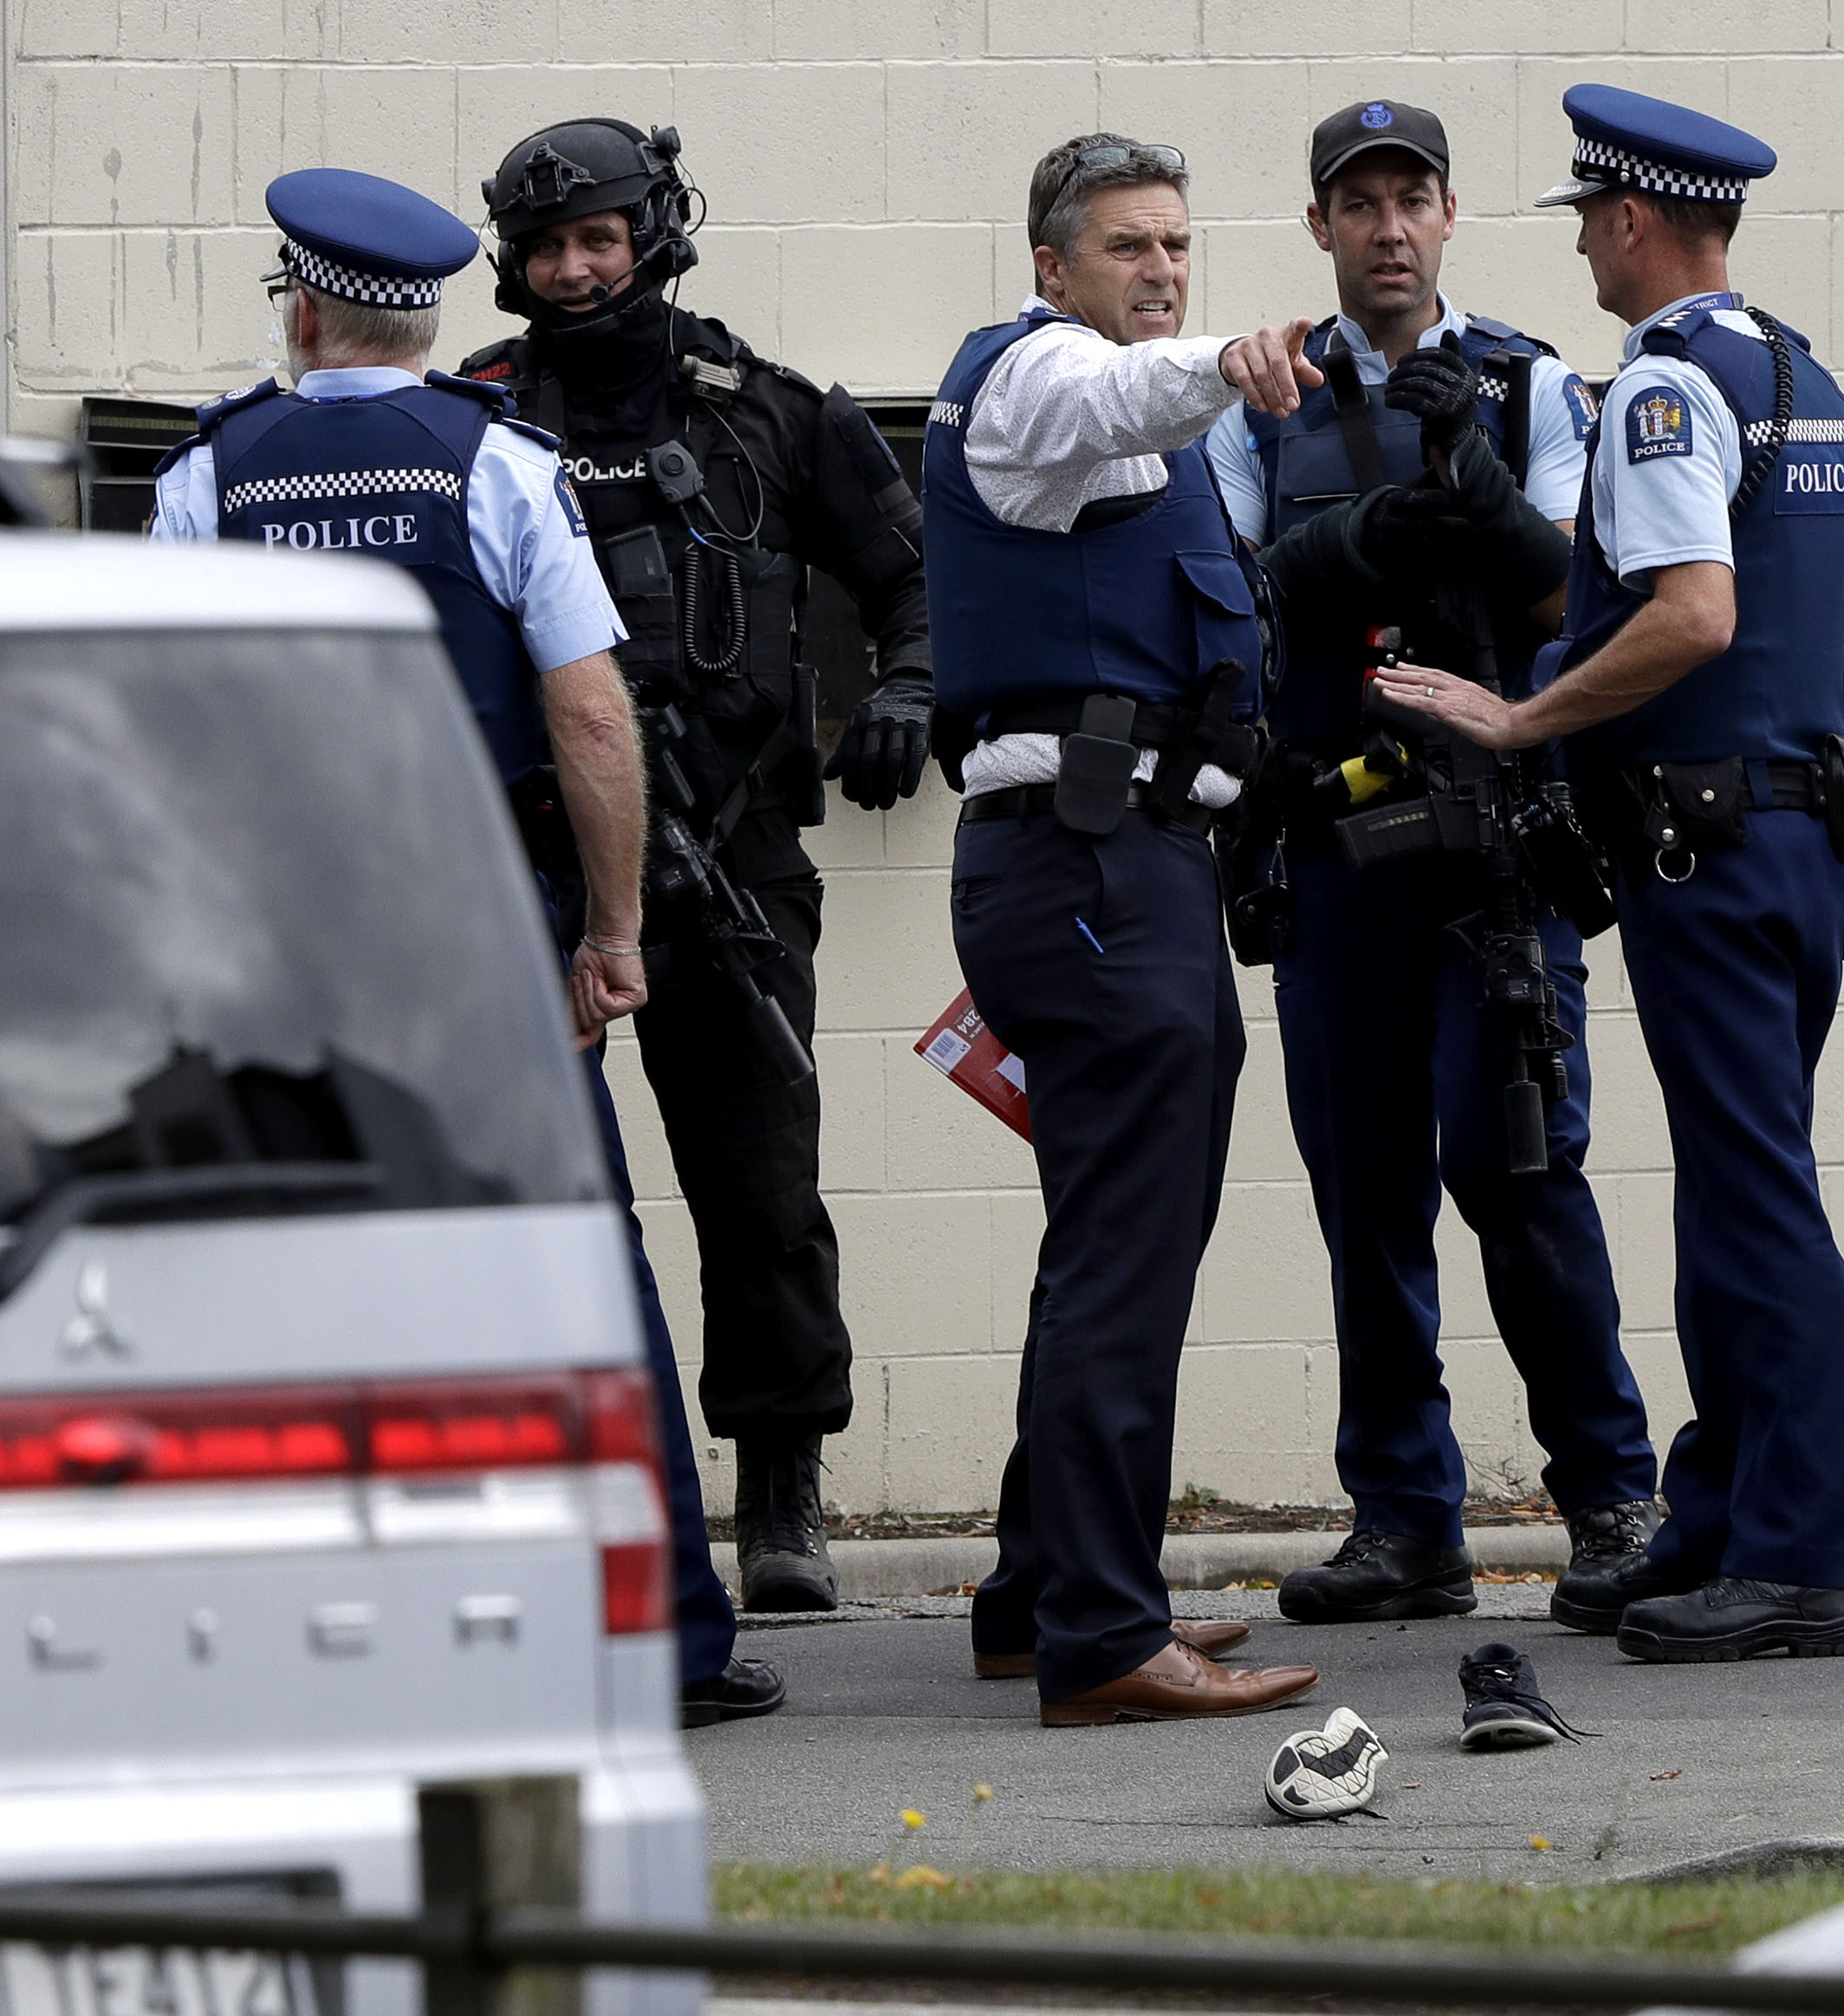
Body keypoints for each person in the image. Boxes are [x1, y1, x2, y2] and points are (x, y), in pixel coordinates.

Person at [148, 168, 779, 1726]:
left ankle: (293, 1641)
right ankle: (665, 1641)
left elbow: (160, 734)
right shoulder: (497, 461)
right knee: (575, 1270)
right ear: (424, 319)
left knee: (281, 1275)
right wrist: (614, 929)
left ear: (301, 309)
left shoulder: (208, 474)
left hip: (275, 948)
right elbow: (586, 710)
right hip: (481, 929)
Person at [1373, 87, 1844, 1663]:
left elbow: (1693, 614)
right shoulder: (1803, 376)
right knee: (1748, 1185)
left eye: (1590, 220)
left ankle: (1804, 1560)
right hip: (1800, 834)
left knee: (1756, 1196)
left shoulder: (1668, 385)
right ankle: (1720, 1518)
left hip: (1715, 842)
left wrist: (1523, 711)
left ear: (1630, 221)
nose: (1589, 248)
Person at [461, 120, 932, 1615]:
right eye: (546, 247)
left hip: (733, 870)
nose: (575, 268)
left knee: (759, 1192)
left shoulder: (770, 411)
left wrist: (907, 689)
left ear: (655, 229)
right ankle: (541, 1492)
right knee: (522, 1200)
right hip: (530, 879)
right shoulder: (467, 420)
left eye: (599, 236)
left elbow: (916, 572)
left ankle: (782, 1489)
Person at [1199, 99, 1659, 1629]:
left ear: (1451, 215)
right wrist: (1381, 541)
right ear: (1321, 226)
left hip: (1495, 859)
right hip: (1334, 849)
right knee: (1364, 1187)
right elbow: (1239, 603)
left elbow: (1569, 611)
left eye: (1413, 198)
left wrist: (1481, 513)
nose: (1387, 228)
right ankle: (1407, 1519)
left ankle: (1610, 1499)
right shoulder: (1261, 395)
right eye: (1358, 203)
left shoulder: (1531, 386)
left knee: (1518, 1168)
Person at [912, 132, 1328, 1725]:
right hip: (1085, 869)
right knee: (1124, 1259)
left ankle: (1040, 1594)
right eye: (1125, 247)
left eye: (1175, 246)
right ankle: (1099, 1634)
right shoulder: (1032, 378)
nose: (1158, 268)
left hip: (1136, 866)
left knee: (1111, 1243)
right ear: (1050, 268)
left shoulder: (1128, 427)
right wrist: (1224, 360)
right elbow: (1115, 396)